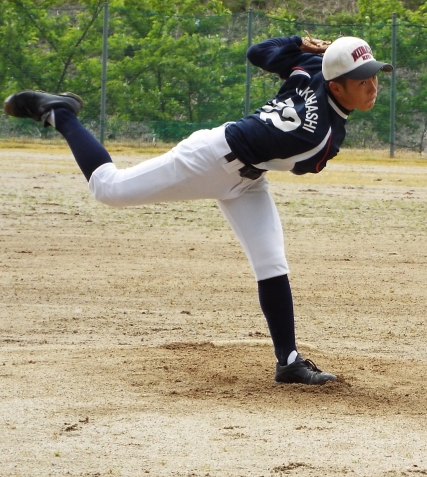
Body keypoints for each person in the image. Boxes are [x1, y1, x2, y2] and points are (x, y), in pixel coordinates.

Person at [3, 35, 393, 385]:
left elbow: (258, 52)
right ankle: (60, 113)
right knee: (109, 189)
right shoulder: (322, 138)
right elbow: (304, 162)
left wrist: (299, 45)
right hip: (211, 160)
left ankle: (288, 362)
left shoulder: (311, 66)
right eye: (362, 80)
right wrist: (309, 56)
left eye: (374, 76)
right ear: (336, 85)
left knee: (271, 261)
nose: (373, 86)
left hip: (248, 177)